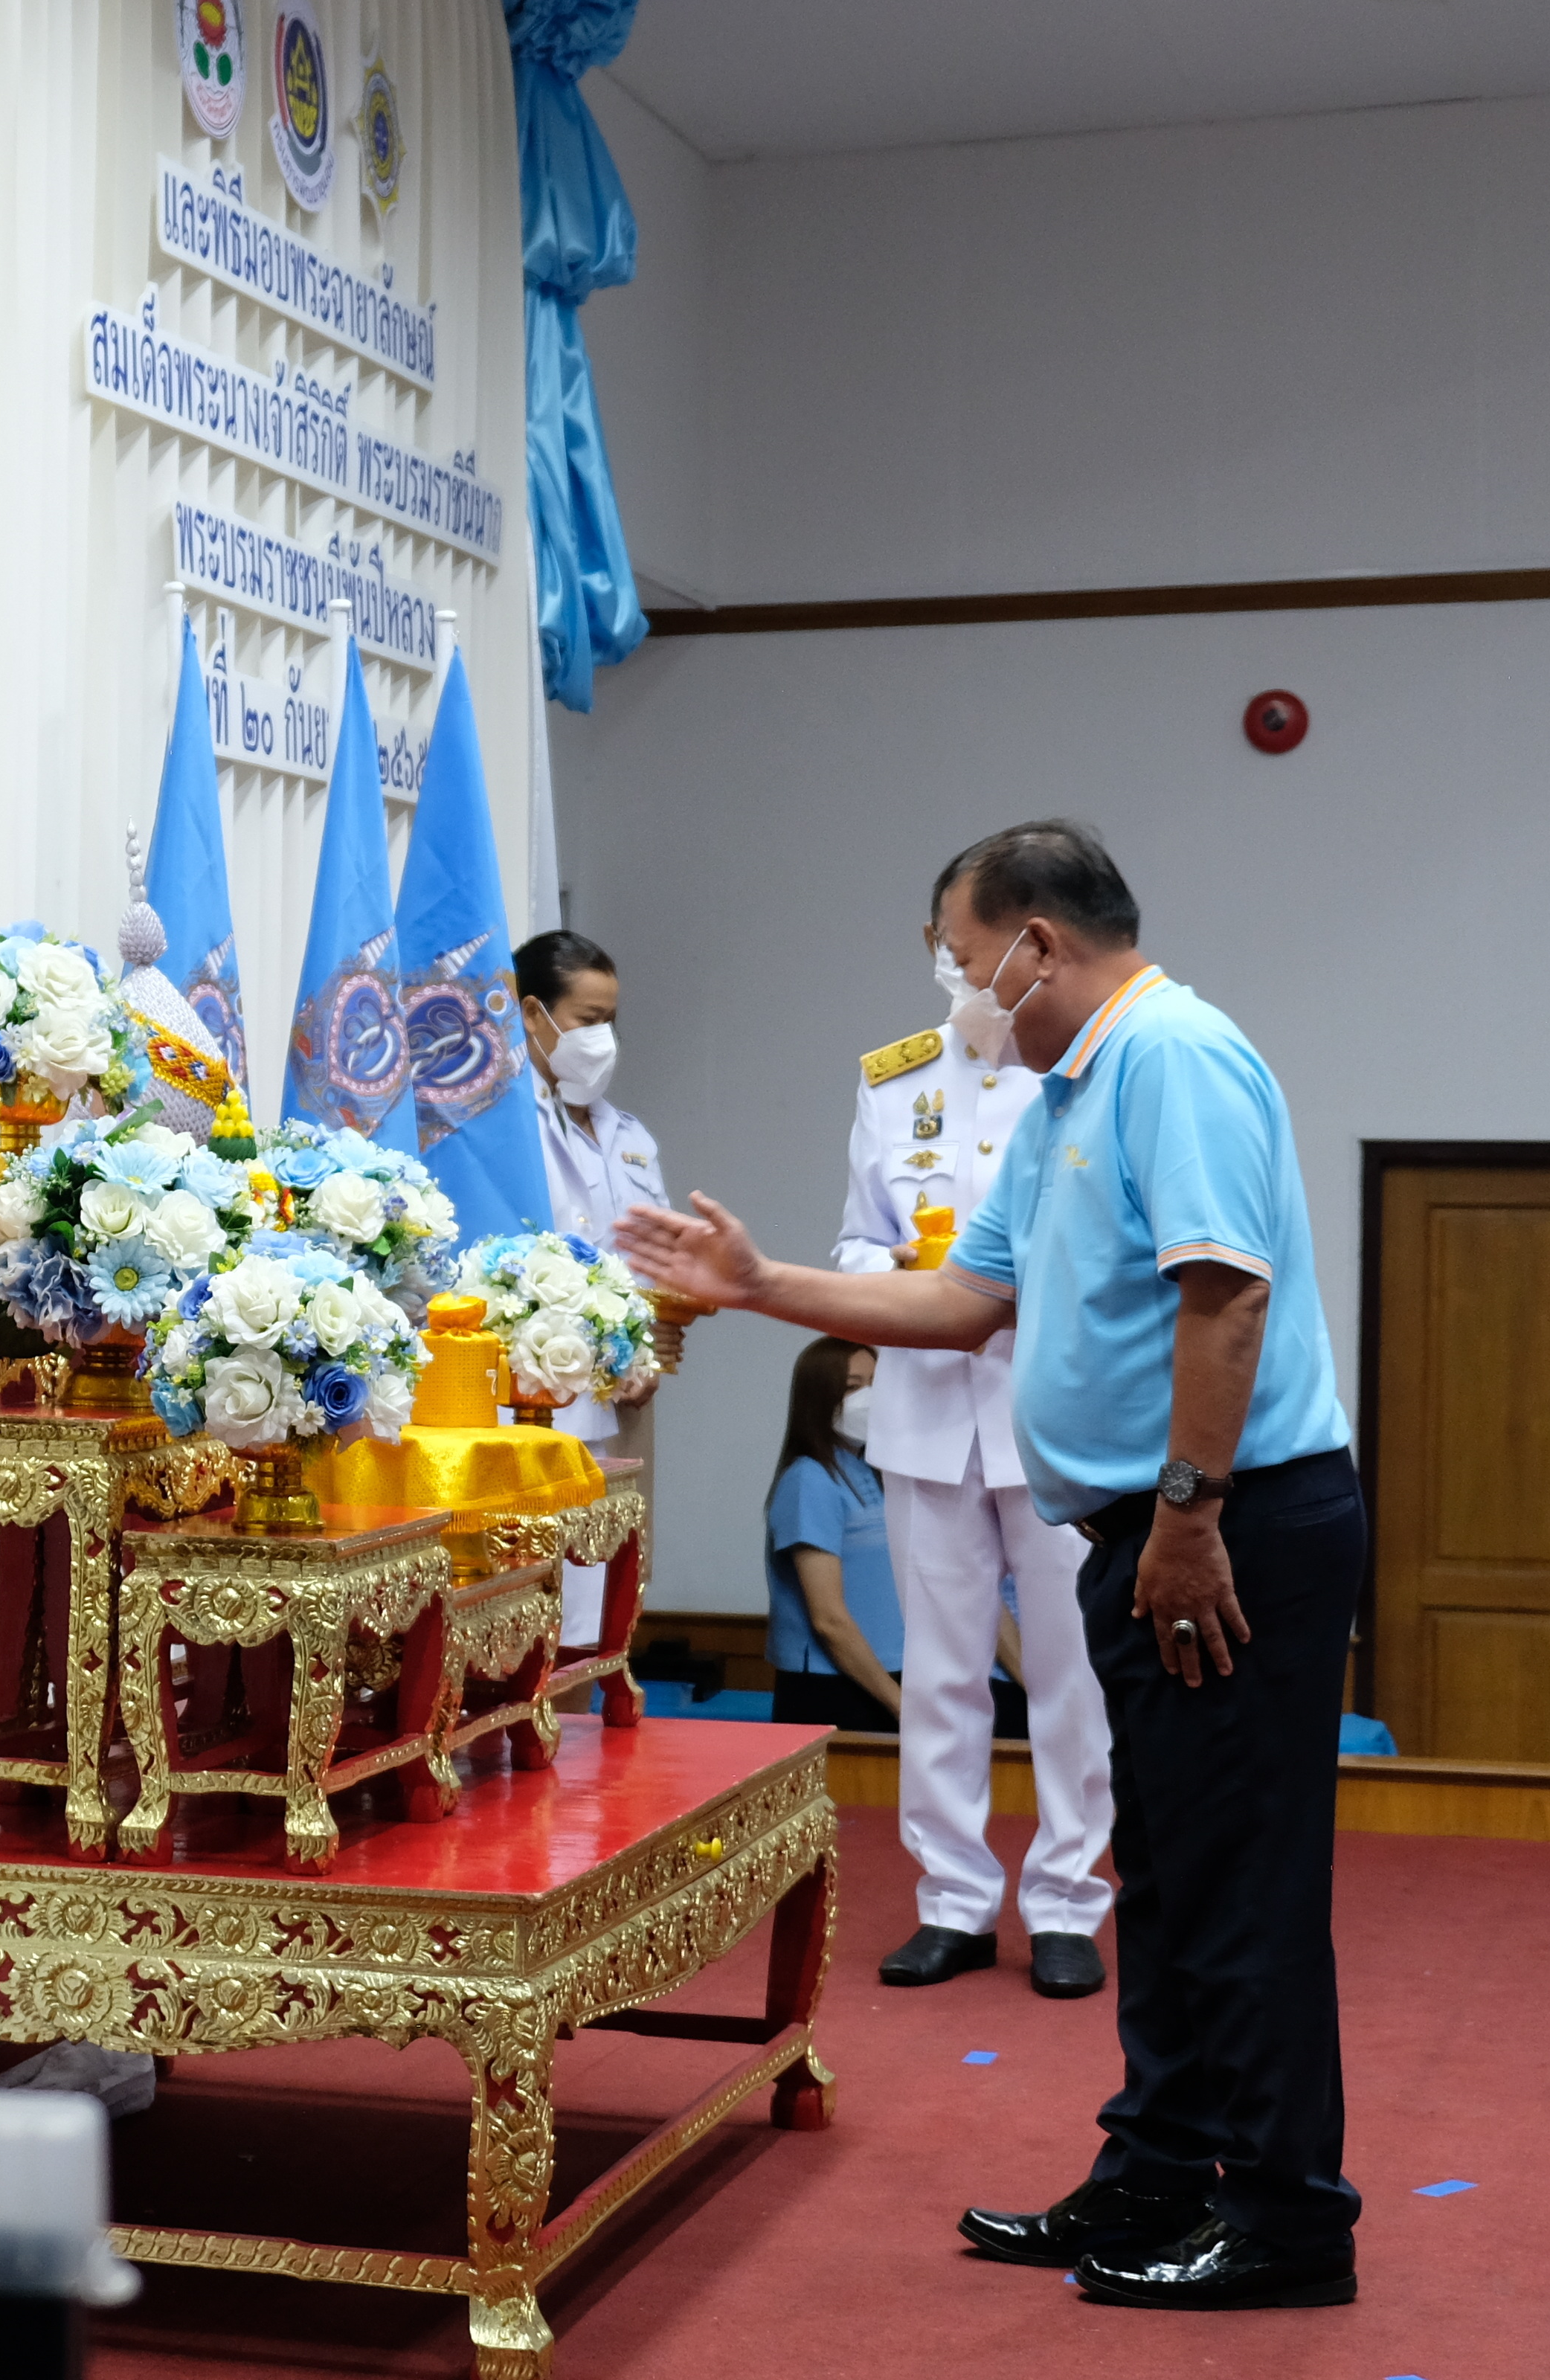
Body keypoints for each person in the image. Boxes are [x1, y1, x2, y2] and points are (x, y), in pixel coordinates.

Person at [614, 820, 1366, 2314]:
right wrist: (763, 1288)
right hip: (1142, 1528)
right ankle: (1160, 2164)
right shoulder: (1064, 1092)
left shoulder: (1178, 1057)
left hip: (1228, 1526)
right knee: (1164, 1876)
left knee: (1242, 1885)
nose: (964, 992)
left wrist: (1191, 1515)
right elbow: (965, 1296)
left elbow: (1224, 1298)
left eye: (969, 962)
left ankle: (1288, 2219)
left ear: (1038, 941)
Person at [835, 898, 1119, 2001]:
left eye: (975, 949)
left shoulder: (1083, 1073)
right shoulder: (892, 1078)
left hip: (1049, 1417)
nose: (961, 969)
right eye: (945, 953)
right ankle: (951, 1901)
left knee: (1068, 1676)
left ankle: (1065, 1904)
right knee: (943, 1673)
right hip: (924, 1411)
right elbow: (856, 1233)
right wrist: (894, 1279)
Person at [515, 929, 686, 1647]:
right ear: (534, 1015)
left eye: (612, 1020)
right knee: (536, 1597)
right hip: (535, 1399)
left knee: (611, 1591)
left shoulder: (630, 1135)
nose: (604, 1038)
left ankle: (591, 1743)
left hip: (628, 1391)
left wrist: (661, 1336)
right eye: (589, 1021)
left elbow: (659, 1261)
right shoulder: (506, 1131)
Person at [763, 1339, 906, 1732]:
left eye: (876, 1383)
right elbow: (829, 1618)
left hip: (891, 1675)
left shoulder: (875, 1472)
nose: (869, 1398)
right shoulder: (811, 1479)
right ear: (820, 1397)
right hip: (835, 1688)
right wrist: (900, 1704)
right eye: (852, 1386)